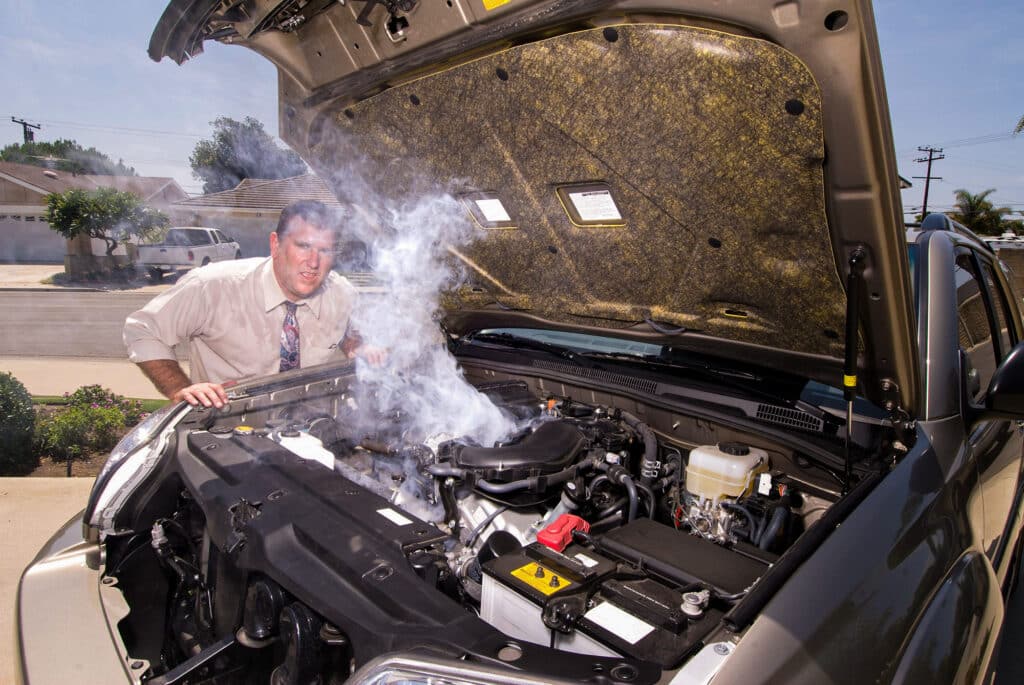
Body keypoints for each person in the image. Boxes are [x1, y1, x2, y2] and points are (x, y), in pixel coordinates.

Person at [124, 200, 380, 408]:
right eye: (303, 246)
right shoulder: (212, 286)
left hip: (312, 430)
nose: (314, 262)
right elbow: (143, 330)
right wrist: (181, 389)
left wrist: (358, 347)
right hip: (227, 430)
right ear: (275, 245)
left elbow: (349, 332)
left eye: (325, 251)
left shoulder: (341, 293)